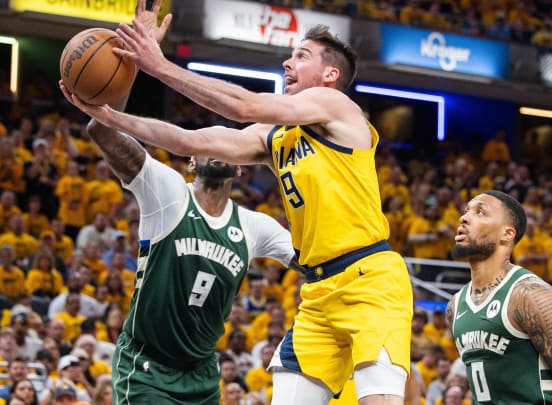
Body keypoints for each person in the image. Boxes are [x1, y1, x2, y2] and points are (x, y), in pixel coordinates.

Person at [61, 14, 413, 405]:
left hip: (370, 279)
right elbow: (188, 140)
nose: (287, 63)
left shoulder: (338, 107)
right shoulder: (274, 138)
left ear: (330, 74)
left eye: (301, 56)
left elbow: (244, 105)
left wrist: (157, 65)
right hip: (319, 293)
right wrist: (111, 118)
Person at [64, 2, 298, 404]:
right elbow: (102, 135)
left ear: (242, 167)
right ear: (191, 158)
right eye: (207, 140)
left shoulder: (256, 227)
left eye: (228, 143)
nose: (218, 146)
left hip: (202, 373)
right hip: (148, 366)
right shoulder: (168, 191)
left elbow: (314, 262)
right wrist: (127, 70)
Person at [445, 190, 552, 404]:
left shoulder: (531, 295)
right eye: (466, 211)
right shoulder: (455, 305)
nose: (464, 218)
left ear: (507, 234)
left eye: (480, 212)